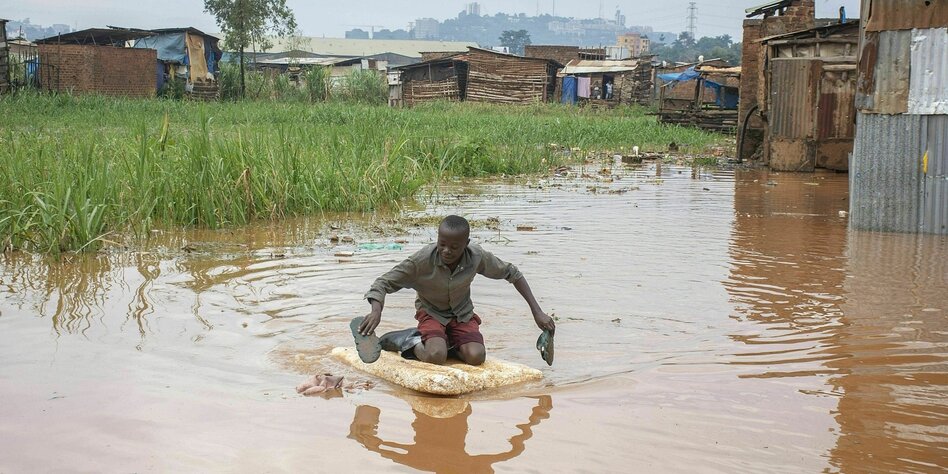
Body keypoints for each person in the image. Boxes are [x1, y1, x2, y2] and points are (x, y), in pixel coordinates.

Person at [355, 215, 555, 366]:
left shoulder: (476, 256)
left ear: (466, 244)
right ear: (437, 240)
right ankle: (412, 340)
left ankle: (446, 340)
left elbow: (512, 273)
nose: (446, 251)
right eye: (442, 245)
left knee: (476, 357)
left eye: (454, 247)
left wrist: (537, 312)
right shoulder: (421, 261)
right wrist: (376, 311)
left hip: (461, 313)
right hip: (431, 312)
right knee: (436, 356)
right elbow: (383, 283)